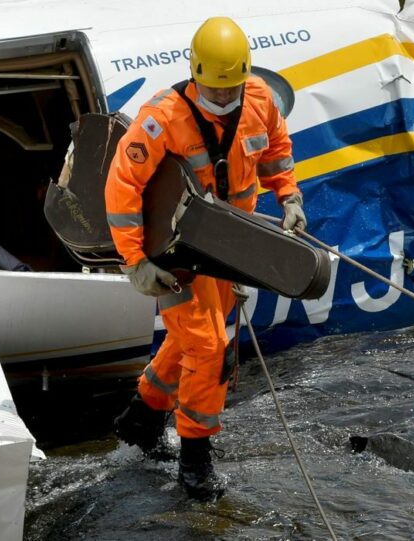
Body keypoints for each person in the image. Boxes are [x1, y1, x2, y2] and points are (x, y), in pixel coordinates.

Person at [104, 16, 306, 501]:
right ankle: (195, 464)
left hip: (230, 247)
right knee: (210, 348)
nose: (222, 98)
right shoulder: (162, 119)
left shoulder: (259, 101)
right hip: (175, 253)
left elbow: (276, 150)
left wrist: (289, 196)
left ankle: (142, 419)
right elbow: (122, 186)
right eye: (213, 91)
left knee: (195, 339)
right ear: (194, 73)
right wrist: (135, 262)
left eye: (230, 88)